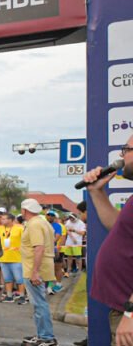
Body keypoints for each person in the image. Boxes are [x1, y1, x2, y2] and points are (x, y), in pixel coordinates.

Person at [82, 143, 133, 346]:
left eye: (127, 149)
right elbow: (117, 226)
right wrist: (96, 192)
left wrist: (131, 313)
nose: (121, 155)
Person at [17, 199, 57, 346]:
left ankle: (46, 337)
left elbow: (39, 248)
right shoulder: (43, 222)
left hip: (34, 269)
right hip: (42, 267)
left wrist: (34, 272)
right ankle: (43, 335)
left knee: (39, 304)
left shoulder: (34, 224)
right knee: (40, 303)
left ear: (24, 210)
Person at [0, 213, 26, 304]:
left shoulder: (20, 228)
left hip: (17, 258)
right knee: (7, 279)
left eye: (4, 219)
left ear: (11, 219)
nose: (2, 220)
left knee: (19, 279)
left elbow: (26, 241)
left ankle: (22, 296)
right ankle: (9, 296)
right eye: (1, 219)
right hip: (3, 258)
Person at [45, 210, 65, 294]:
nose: (50, 216)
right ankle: (49, 286)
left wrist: (48, 243)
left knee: (57, 268)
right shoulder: (43, 225)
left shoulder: (57, 226)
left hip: (55, 250)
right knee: (48, 269)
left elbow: (57, 237)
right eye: (48, 215)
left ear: (54, 217)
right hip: (45, 251)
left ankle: (59, 284)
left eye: (52, 215)